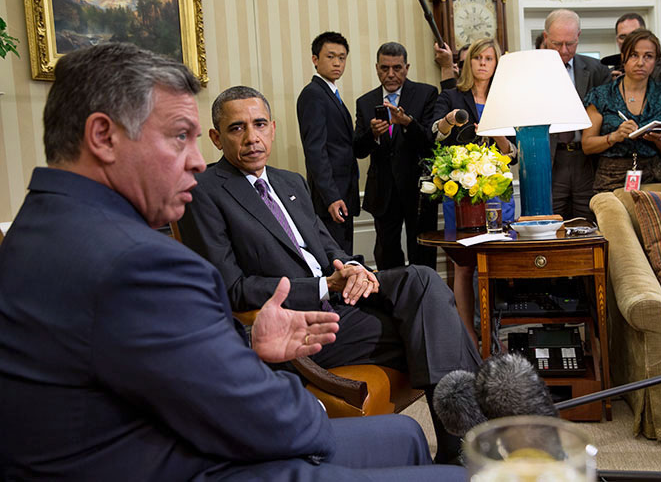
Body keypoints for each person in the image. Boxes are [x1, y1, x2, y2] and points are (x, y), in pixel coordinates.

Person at [0, 44, 466, 481]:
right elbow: (269, 420)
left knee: (406, 430)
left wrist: (249, 346)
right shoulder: (136, 263)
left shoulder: (39, 228)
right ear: (102, 136)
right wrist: (303, 399)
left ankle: (464, 422)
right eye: (179, 137)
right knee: (471, 475)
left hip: (173, 443)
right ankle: (472, 429)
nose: (197, 162)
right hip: (207, 465)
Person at [179, 85, 482, 465]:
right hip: (299, 321)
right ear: (216, 138)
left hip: (343, 297)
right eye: (237, 128)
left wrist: (352, 269)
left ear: (272, 128)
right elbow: (232, 288)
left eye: (259, 124)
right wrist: (323, 285)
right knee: (436, 323)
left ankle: (462, 444)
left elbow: (327, 247)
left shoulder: (290, 182)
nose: (252, 137)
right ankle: (464, 445)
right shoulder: (204, 191)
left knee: (420, 279)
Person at [431, 37, 517, 347]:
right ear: (468, 62)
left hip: (496, 189)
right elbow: (435, 136)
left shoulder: (505, 99)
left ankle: (492, 333)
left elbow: (514, 155)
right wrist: (447, 122)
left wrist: (499, 138)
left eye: (489, 58)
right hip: (462, 192)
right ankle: (468, 335)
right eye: (478, 57)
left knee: (494, 265)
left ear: (496, 64)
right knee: (464, 265)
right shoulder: (452, 95)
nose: (483, 62)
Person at [353, 42, 439, 270]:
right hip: (383, 191)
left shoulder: (426, 94)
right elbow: (358, 150)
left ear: (407, 67)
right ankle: (393, 303)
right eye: (384, 68)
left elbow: (432, 143)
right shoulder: (365, 102)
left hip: (418, 190)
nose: (390, 74)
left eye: (397, 68)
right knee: (386, 255)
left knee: (422, 255)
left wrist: (408, 123)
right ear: (376, 68)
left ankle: (423, 303)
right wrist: (372, 134)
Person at [582, 29, 661, 191]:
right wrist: (614, 136)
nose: (640, 62)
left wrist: (658, 138)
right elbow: (587, 145)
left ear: (656, 61)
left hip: (653, 177)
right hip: (610, 178)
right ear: (623, 58)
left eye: (648, 56)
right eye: (634, 55)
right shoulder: (601, 95)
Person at [543, 9, 612, 220]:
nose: (564, 50)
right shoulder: (534, 70)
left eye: (570, 43)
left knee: (588, 221)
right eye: (556, 44)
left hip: (586, 159)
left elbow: (607, 114)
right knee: (551, 223)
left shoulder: (596, 69)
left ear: (578, 36)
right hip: (551, 158)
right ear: (545, 37)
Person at [296, 31, 359, 255]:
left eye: (342, 58)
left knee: (345, 255)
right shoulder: (313, 94)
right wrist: (331, 197)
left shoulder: (330, 93)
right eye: (330, 56)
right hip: (331, 197)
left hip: (344, 192)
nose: (337, 63)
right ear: (315, 59)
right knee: (336, 259)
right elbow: (315, 151)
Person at [613, 12, 661, 86]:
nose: (628, 40)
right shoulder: (610, 75)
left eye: (634, 34)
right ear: (617, 40)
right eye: (622, 37)